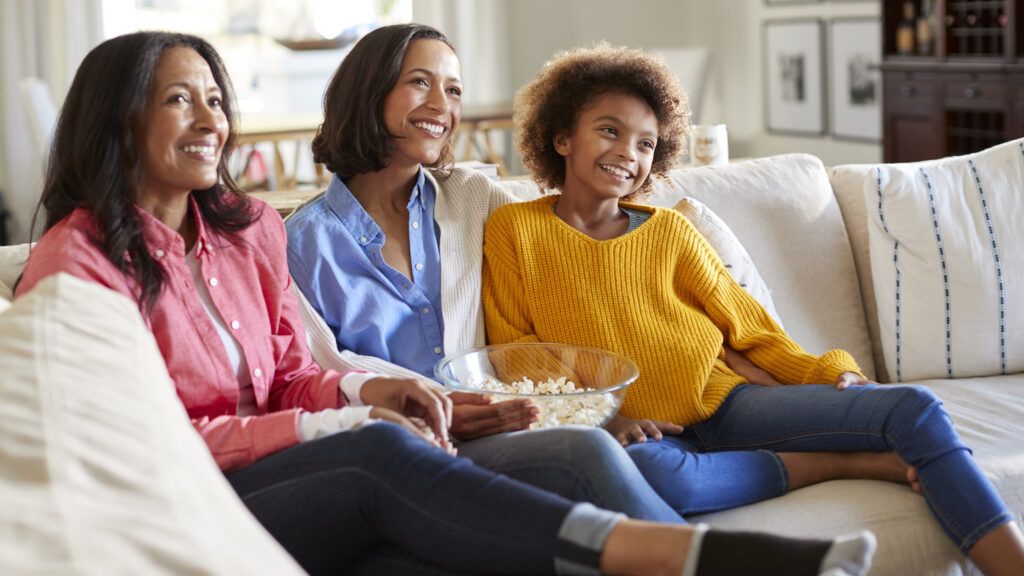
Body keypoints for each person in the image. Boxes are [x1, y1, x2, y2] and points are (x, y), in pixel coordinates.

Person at [14, 30, 879, 576]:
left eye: (215, 99)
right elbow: (146, 443)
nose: (210, 120)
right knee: (378, 462)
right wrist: (341, 422)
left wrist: (366, 394)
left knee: (541, 476)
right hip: (213, 487)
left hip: (398, 445)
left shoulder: (246, 233)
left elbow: (292, 372)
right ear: (119, 118)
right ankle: (680, 558)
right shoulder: (75, 267)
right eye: (178, 99)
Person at [481, 43, 1024, 576]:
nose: (628, 151)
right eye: (609, 130)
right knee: (662, 482)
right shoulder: (513, 230)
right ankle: (840, 465)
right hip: (644, 435)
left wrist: (828, 371)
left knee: (914, 409)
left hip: (728, 404)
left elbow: (751, 329)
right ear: (560, 138)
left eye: (646, 143)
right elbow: (520, 355)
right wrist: (609, 417)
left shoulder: (669, 231)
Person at [285, 22, 686, 522]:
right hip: (406, 443)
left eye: (453, 90)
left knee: (650, 462)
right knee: (587, 456)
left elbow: (559, 239)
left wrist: (672, 240)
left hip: (512, 421)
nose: (441, 105)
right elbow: (319, 371)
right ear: (369, 91)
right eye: (419, 82)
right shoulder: (302, 242)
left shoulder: (472, 199)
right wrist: (445, 404)